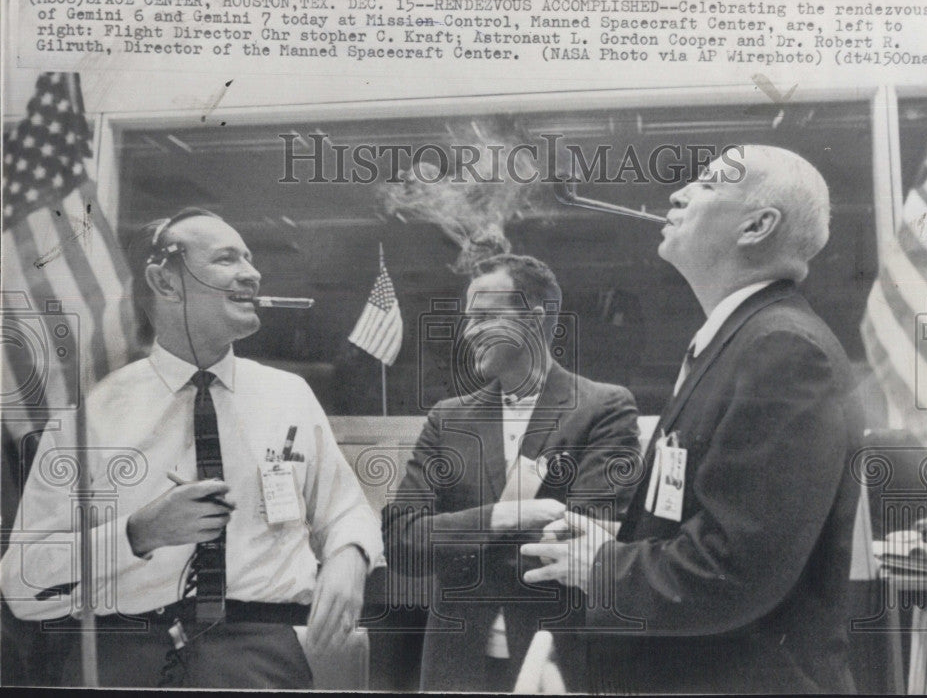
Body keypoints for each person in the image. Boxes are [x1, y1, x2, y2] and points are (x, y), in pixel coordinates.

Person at [522, 146, 864, 693]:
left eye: (706, 187)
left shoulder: (782, 350)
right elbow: (712, 518)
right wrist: (621, 537)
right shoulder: (743, 340)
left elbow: (734, 570)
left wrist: (603, 565)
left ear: (756, 226)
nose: (676, 195)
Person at [0, 208, 383, 688]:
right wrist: (138, 533)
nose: (252, 272)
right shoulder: (92, 413)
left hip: (261, 656)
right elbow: (22, 582)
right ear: (165, 283)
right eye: (227, 259)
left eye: (249, 257)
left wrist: (350, 556)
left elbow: (347, 509)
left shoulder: (290, 395)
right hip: (127, 657)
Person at [382, 254, 641, 692]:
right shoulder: (448, 419)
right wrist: (511, 515)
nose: (469, 333)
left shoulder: (603, 408)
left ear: (535, 321)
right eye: (469, 319)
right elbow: (402, 541)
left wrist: (453, 533)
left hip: (556, 658)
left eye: (485, 317)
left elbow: (584, 536)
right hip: (455, 662)